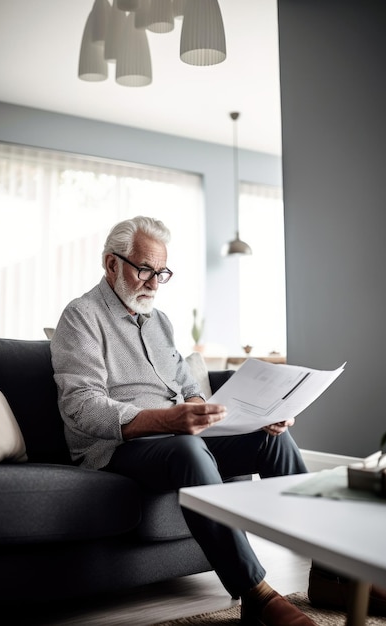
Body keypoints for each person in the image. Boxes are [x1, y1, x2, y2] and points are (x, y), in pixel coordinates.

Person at [50, 215, 316, 625]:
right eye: (144, 270)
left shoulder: (160, 321)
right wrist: (166, 420)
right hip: (119, 447)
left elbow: (186, 383)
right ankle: (256, 594)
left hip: (178, 437)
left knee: (272, 439)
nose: (154, 284)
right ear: (111, 264)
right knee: (188, 448)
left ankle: (336, 573)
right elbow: (81, 406)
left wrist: (238, 414)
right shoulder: (81, 317)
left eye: (162, 273)